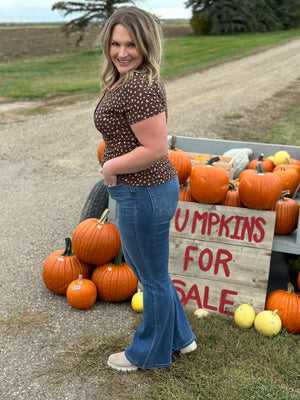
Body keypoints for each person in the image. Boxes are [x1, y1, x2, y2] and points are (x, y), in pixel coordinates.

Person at [94, 6, 196, 372]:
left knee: (151, 279)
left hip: (144, 193)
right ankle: (182, 338)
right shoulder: (132, 78)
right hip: (146, 191)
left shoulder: (138, 85)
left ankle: (149, 353)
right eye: (115, 43)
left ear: (146, 45)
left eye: (131, 45)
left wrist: (110, 167)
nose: (121, 52)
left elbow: (155, 149)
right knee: (154, 273)